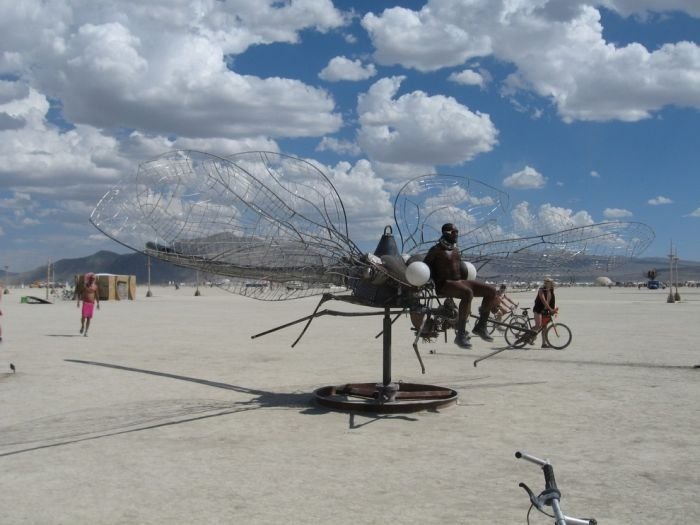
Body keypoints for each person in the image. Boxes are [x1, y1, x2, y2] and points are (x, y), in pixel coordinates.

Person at [423, 223, 497, 349]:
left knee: (491, 291)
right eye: (454, 232)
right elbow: (424, 267)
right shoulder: (436, 250)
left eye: (457, 231)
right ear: (446, 233)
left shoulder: (455, 250)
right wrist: (429, 281)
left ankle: (481, 326)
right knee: (467, 293)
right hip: (444, 285)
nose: (456, 234)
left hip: (458, 282)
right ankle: (460, 335)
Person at [532, 277, 557, 348]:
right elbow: (544, 301)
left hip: (545, 311)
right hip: (538, 310)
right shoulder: (541, 290)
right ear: (546, 283)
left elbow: (552, 301)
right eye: (549, 282)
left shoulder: (551, 290)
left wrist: (552, 310)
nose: (551, 284)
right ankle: (530, 335)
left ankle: (544, 344)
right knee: (538, 326)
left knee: (544, 327)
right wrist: (550, 309)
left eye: (551, 283)